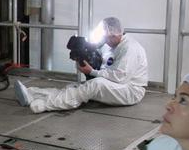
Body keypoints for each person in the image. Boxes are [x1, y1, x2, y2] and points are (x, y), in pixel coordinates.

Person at [14, 16, 149, 112]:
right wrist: (84, 59)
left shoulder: (130, 48)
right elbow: (101, 64)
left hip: (131, 90)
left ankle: (46, 105)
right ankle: (32, 94)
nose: (104, 41)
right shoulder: (110, 46)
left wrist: (93, 72)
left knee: (95, 85)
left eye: (106, 38)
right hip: (117, 84)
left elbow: (120, 77)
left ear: (114, 35)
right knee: (76, 88)